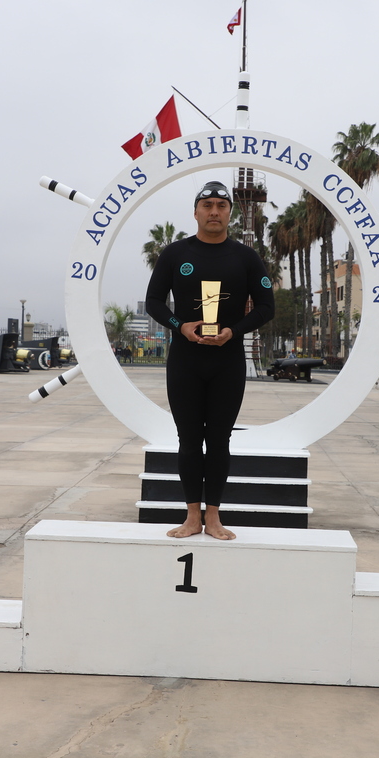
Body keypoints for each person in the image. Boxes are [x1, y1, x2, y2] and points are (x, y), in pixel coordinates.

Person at [145, 181, 275, 540]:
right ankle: (191, 516)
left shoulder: (246, 257)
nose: (214, 211)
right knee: (188, 439)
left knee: (219, 441)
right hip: (185, 360)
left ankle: (214, 517)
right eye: (208, 205)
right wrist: (180, 325)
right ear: (196, 212)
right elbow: (153, 302)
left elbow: (267, 307)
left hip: (227, 362)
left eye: (221, 205)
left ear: (230, 212)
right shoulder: (175, 254)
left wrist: (233, 332)